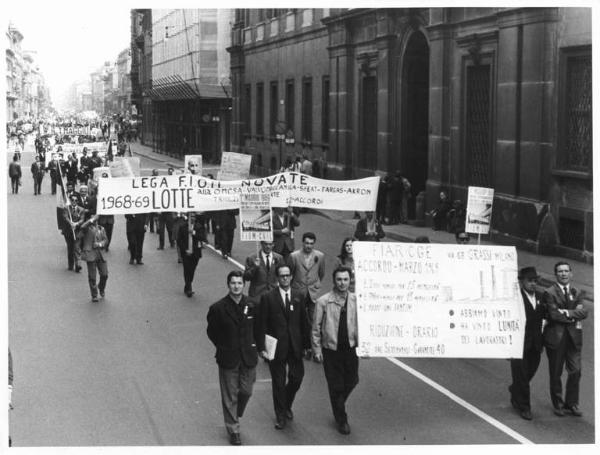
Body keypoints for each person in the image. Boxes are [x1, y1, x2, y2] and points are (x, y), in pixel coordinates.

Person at [206, 270, 259, 446]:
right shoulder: (218, 308)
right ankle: (233, 429)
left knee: (246, 391)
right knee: (229, 395)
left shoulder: (252, 304)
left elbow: (258, 329)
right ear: (228, 285)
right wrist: (223, 346)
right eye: (233, 283)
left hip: (248, 356)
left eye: (239, 283)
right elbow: (212, 332)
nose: (236, 286)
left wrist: (259, 348)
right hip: (228, 357)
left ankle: (236, 413)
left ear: (244, 285)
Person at [257, 264, 311, 430]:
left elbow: (304, 321)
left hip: (295, 346)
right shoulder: (268, 297)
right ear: (277, 278)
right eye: (282, 276)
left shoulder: (299, 296)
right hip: (276, 347)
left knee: (297, 378)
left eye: (288, 275)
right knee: (278, 383)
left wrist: (307, 345)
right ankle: (280, 414)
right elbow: (261, 324)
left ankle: (286, 403)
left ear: (291, 277)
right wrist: (261, 348)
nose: (285, 278)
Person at [311, 266, 359, 435]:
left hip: (350, 349)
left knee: (353, 380)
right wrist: (317, 349)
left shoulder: (356, 300)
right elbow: (316, 327)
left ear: (350, 280)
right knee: (336, 385)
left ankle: (338, 404)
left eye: (345, 279)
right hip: (331, 350)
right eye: (339, 279)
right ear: (334, 281)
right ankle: (342, 419)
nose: (342, 283)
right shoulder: (324, 301)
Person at [542, 261, 588, 417]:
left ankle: (572, 403)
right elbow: (553, 315)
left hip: (574, 338)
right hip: (556, 337)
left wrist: (567, 313)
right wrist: (574, 313)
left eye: (566, 271)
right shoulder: (549, 292)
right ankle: (558, 404)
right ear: (556, 274)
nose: (563, 274)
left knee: (576, 371)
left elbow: (584, 313)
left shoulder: (578, 291)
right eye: (560, 271)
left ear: (571, 273)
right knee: (556, 373)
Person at [509, 267, 545, 420]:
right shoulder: (515, 298)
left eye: (535, 280)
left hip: (536, 344)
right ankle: (525, 407)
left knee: (530, 372)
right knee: (522, 376)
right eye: (529, 280)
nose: (533, 283)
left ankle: (515, 389)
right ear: (522, 281)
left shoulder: (541, 296)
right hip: (519, 344)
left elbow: (547, 315)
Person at [288, 232, 326, 328]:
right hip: (298, 290)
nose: (309, 246)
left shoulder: (320, 256)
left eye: (311, 243)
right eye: (307, 243)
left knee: (313, 318)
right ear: (302, 243)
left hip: (313, 292)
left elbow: (321, 273)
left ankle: (311, 340)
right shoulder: (294, 256)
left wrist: (316, 284)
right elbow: (290, 274)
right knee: (297, 318)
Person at [78, 213, 108, 302]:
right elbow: (82, 227)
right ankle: (94, 295)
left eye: (96, 217)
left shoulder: (101, 229)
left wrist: (100, 244)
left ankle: (101, 287)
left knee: (104, 274)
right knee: (92, 276)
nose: (95, 219)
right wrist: (91, 220)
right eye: (93, 218)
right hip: (90, 254)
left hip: (100, 254)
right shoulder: (87, 228)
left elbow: (106, 240)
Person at [176, 212, 207, 297]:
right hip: (186, 253)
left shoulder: (199, 227)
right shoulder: (183, 227)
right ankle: (188, 288)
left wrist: (194, 233)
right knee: (187, 269)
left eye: (193, 216)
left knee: (192, 270)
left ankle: (188, 285)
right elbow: (179, 240)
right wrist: (185, 250)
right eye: (191, 216)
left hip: (195, 252)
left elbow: (203, 238)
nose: (192, 218)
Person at [243, 241, 283, 306]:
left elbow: (282, 276)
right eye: (266, 244)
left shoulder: (279, 258)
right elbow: (246, 277)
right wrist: (254, 267)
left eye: (270, 244)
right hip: (256, 296)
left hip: (273, 296)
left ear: (273, 244)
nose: (268, 246)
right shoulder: (252, 258)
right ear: (261, 244)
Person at [63, 194, 86, 272]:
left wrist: (76, 224)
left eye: (76, 200)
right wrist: (71, 223)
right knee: (70, 248)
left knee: (77, 248)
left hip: (78, 231)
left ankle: (78, 265)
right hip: (68, 232)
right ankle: (70, 265)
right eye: (72, 200)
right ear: (70, 201)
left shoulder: (81, 209)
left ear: (78, 201)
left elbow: (82, 219)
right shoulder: (66, 208)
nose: (74, 202)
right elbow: (65, 217)